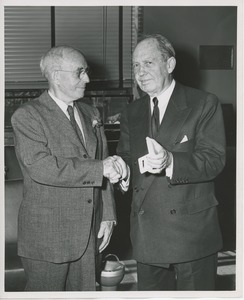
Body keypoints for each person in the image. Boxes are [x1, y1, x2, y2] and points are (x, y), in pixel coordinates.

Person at [11, 45, 127, 291]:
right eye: (80, 72)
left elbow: (102, 159)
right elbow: (41, 167)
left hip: (89, 234)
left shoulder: (90, 112)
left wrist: (107, 215)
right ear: (55, 75)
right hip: (48, 238)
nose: (87, 78)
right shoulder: (28, 116)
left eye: (87, 71)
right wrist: (99, 169)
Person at [117, 34, 226, 291]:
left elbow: (214, 160)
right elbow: (127, 159)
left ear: (170, 65)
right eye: (135, 65)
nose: (140, 73)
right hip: (146, 234)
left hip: (192, 234)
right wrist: (119, 170)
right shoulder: (131, 112)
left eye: (148, 63)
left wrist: (171, 161)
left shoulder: (203, 103)